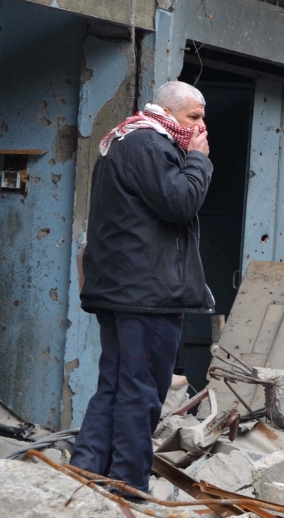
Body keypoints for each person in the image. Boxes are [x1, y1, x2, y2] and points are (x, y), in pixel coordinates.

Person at [71, 81, 214, 495]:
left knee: (116, 385)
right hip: (146, 294)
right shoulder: (151, 144)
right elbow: (181, 201)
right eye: (194, 118)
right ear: (169, 112)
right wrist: (199, 161)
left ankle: (86, 474)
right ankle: (128, 485)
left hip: (123, 289)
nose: (202, 128)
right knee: (142, 391)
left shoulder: (126, 140)